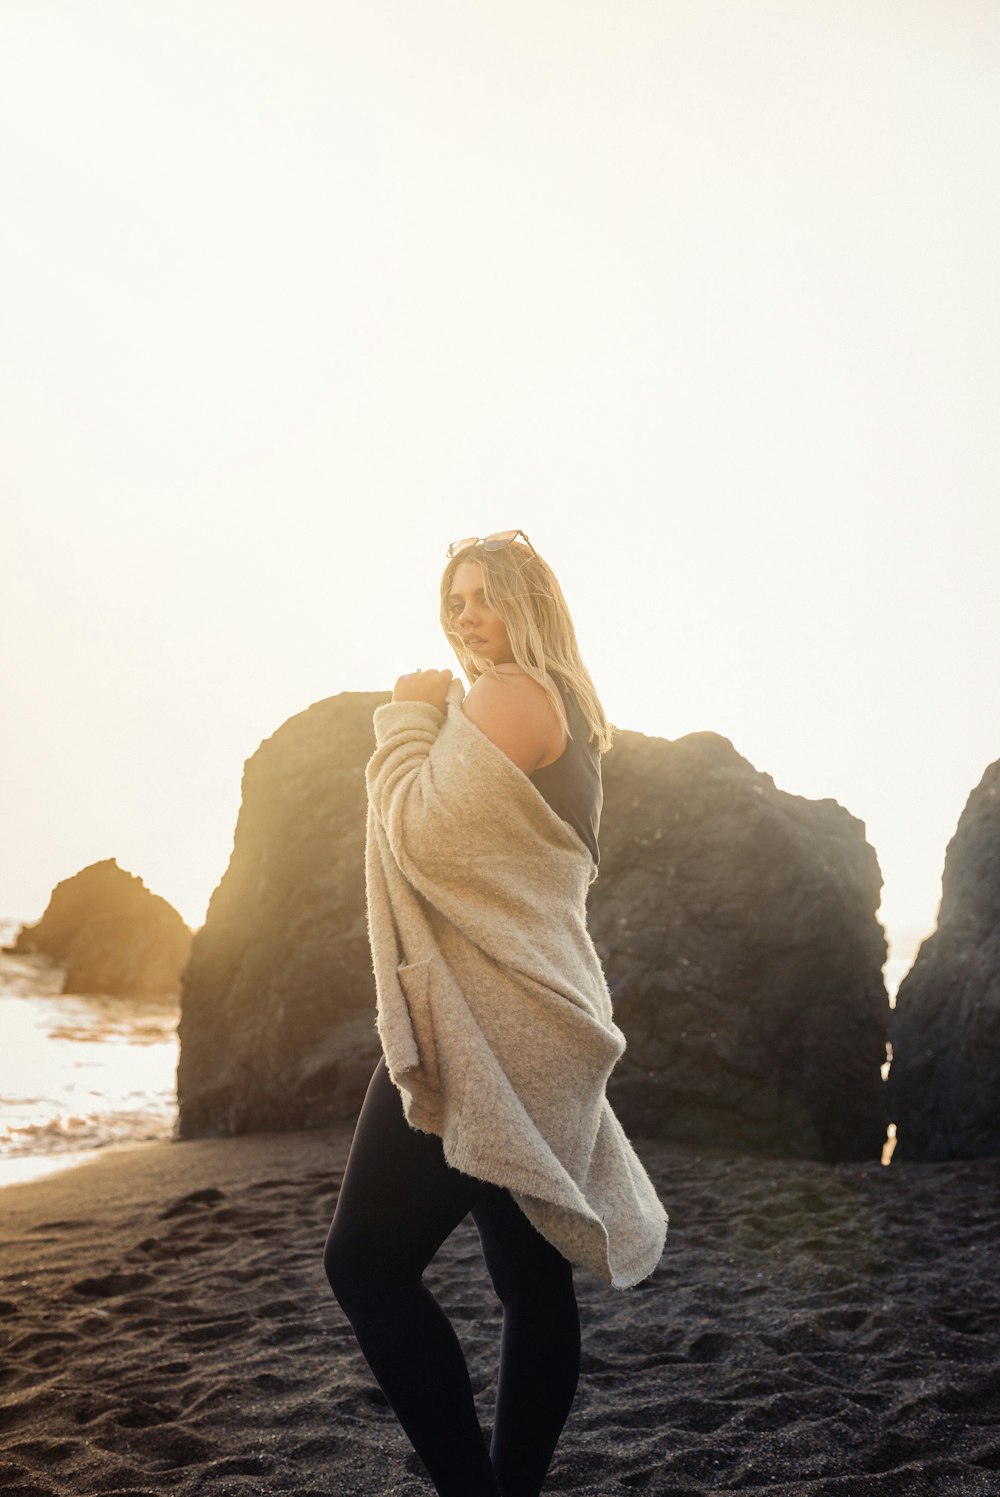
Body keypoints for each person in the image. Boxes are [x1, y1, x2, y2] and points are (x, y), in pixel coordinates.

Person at [324, 530, 667, 1497]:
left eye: (485, 595)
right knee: (527, 1284)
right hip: (525, 1022)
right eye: (454, 598)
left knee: (364, 1265)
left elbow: (424, 833)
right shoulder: (565, 713)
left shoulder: (510, 695)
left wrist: (404, 717)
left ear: (530, 604)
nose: (464, 615)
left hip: (489, 1034)